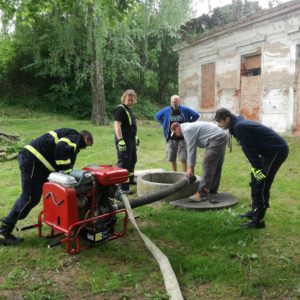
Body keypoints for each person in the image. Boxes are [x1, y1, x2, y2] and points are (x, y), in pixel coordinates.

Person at [0, 128, 94, 245]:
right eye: (86, 145)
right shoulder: (76, 136)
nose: (83, 148)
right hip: (33, 160)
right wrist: (65, 171)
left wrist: (67, 171)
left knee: (35, 198)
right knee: (28, 198)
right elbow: (61, 148)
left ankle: (6, 228)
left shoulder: (71, 138)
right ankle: (4, 232)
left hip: (39, 164)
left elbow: (67, 157)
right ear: (85, 138)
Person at [214, 108, 289, 229]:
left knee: (262, 183)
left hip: (277, 151)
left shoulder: (239, 127)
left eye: (219, 121)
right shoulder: (237, 126)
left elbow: (250, 150)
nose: (218, 124)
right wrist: (256, 168)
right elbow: (249, 149)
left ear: (226, 118)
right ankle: (255, 211)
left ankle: (259, 221)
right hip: (267, 153)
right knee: (255, 180)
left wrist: (258, 167)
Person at [170, 121, 228, 201]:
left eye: (175, 133)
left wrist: (190, 167)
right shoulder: (188, 127)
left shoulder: (187, 130)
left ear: (177, 128)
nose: (176, 135)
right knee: (216, 165)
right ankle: (212, 190)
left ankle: (202, 194)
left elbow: (191, 149)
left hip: (216, 138)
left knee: (207, 164)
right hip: (222, 135)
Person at [155, 95, 199, 172]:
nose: (174, 104)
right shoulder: (166, 110)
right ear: (170, 102)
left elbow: (196, 115)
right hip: (171, 138)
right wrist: (164, 124)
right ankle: (174, 173)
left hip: (182, 138)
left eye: (176, 102)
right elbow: (157, 116)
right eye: (172, 102)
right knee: (172, 157)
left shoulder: (184, 109)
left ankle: (184, 174)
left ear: (179, 102)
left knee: (183, 158)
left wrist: (189, 124)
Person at [113, 89, 139, 194]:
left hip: (131, 140)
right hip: (123, 140)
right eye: (129, 100)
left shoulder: (129, 109)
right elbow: (117, 125)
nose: (131, 102)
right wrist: (120, 140)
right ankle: (122, 187)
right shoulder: (120, 109)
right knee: (124, 162)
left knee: (133, 159)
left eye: (132, 100)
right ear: (124, 98)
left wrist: (135, 137)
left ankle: (131, 180)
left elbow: (131, 125)